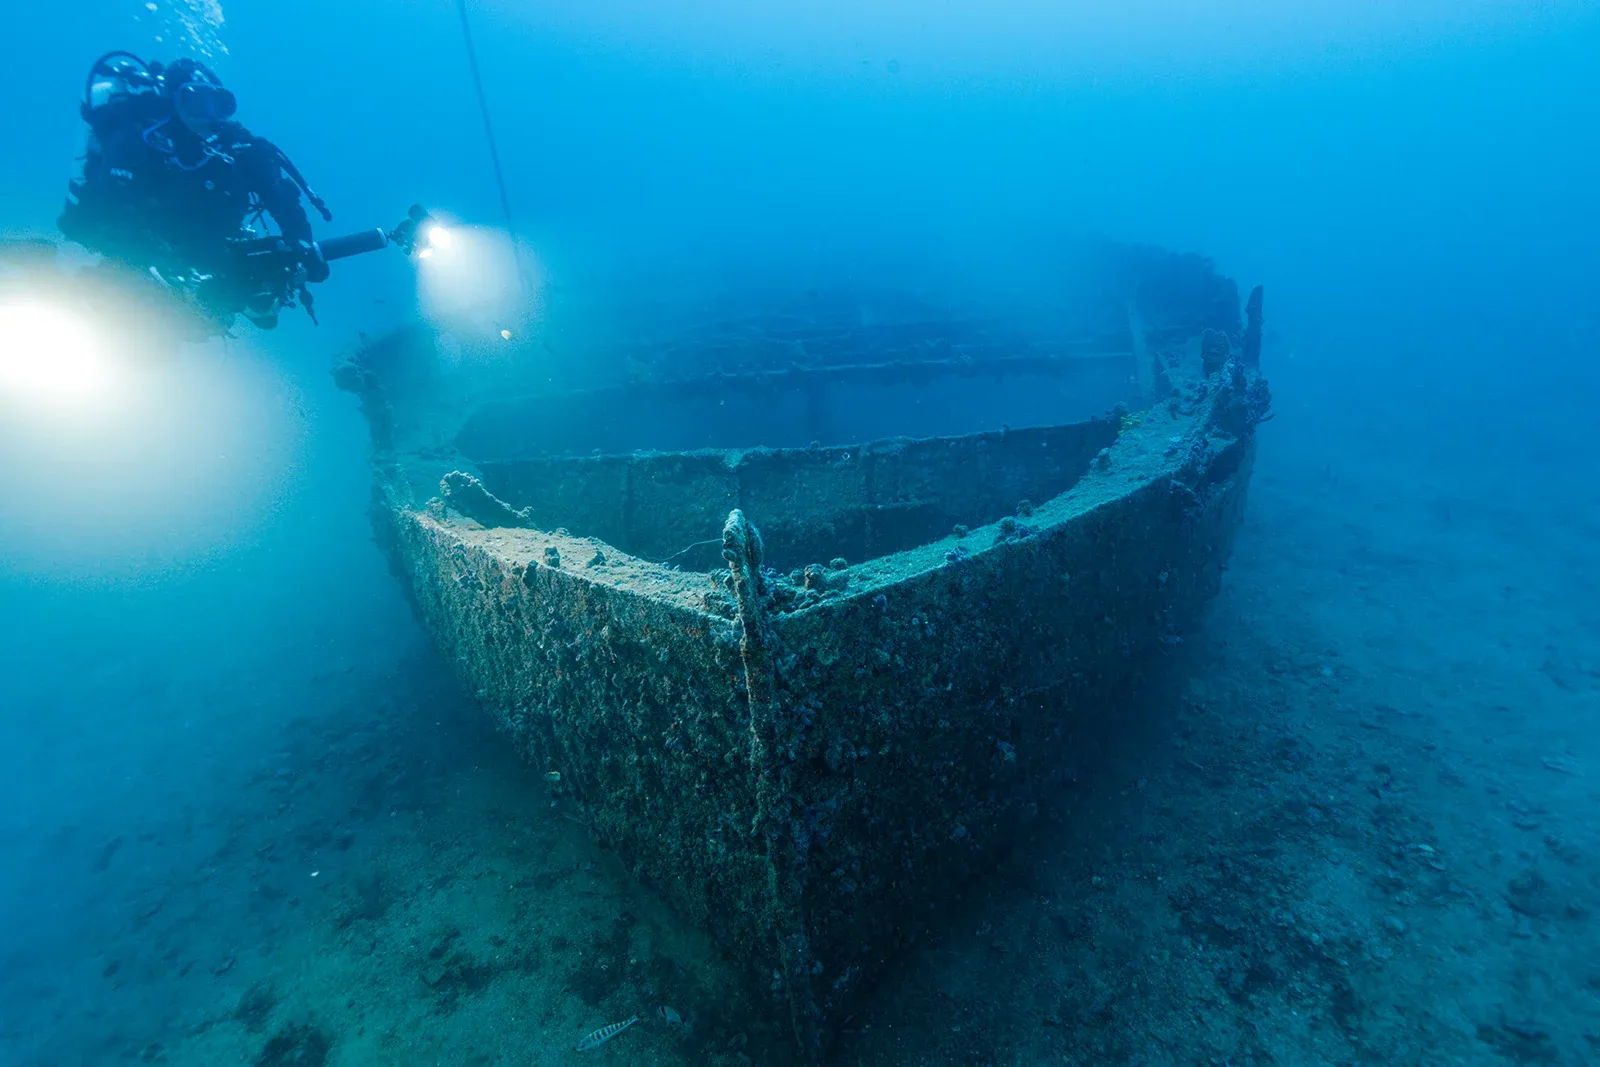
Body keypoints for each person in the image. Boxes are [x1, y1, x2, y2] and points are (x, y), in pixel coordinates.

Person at [57, 53, 333, 327]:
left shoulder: (238, 148)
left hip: (208, 253)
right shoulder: (138, 139)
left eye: (219, 104)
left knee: (259, 308)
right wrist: (174, 267)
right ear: (174, 100)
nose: (208, 115)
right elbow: (114, 208)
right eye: (197, 102)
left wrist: (303, 248)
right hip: (143, 253)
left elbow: (280, 196)